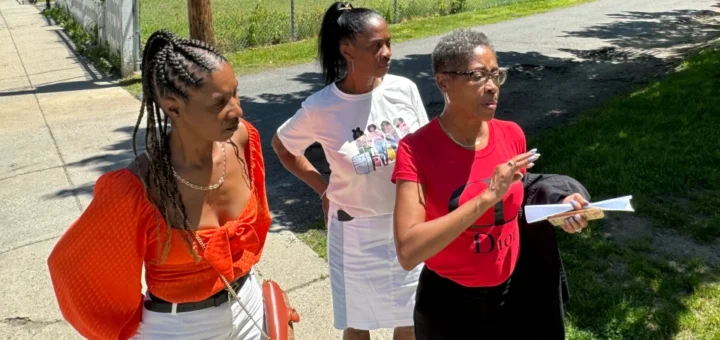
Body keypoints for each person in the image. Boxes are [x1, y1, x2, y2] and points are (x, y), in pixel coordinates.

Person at [47, 29, 272, 340]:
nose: (237, 110)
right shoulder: (138, 188)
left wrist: (267, 299)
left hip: (248, 306)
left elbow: (255, 227)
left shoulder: (244, 139)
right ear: (173, 107)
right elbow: (72, 268)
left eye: (236, 93)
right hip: (179, 328)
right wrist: (124, 329)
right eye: (219, 103)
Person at [391, 28, 591, 339]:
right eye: (477, 76)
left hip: (515, 295)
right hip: (449, 306)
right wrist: (486, 196)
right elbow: (408, 251)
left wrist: (559, 205)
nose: (492, 87)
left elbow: (520, 199)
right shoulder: (415, 150)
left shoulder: (511, 134)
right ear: (443, 81)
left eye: (496, 75)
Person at [271, 2, 428, 339]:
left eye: (388, 42)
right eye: (375, 46)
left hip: (408, 225)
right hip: (354, 233)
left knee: (410, 319)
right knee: (358, 324)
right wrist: (322, 187)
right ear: (347, 50)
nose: (386, 52)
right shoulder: (321, 107)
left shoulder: (404, 90)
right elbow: (283, 147)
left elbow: (426, 153)